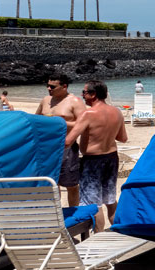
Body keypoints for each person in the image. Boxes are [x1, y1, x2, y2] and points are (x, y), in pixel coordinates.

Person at [65, 80, 127, 222]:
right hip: (111, 158)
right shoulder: (116, 112)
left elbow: (68, 141)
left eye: (85, 92)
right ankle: (118, 231)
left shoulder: (88, 114)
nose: (82, 95)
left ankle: (98, 237)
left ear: (93, 94)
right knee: (110, 200)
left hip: (92, 162)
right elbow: (123, 138)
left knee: (93, 204)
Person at [36, 73, 86, 207]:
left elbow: (83, 124)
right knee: (52, 183)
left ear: (64, 86)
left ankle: (73, 213)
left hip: (67, 147)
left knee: (71, 185)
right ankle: (56, 212)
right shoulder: (45, 100)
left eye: (52, 86)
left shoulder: (74, 101)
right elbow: (36, 119)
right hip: (46, 148)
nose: (49, 89)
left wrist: (60, 122)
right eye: (47, 85)